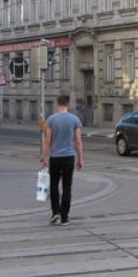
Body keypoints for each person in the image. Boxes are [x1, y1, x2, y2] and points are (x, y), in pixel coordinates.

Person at [39, 95, 83, 225]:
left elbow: (47, 141)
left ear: (57, 104)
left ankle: (55, 212)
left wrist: (43, 158)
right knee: (67, 188)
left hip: (55, 158)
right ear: (68, 104)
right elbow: (78, 142)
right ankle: (65, 217)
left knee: (53, 186)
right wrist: (80, 159)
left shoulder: (51, 119)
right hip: (69, 157)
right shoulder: (75, 119)